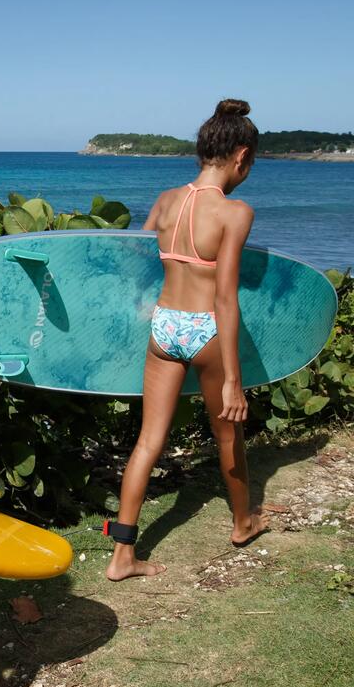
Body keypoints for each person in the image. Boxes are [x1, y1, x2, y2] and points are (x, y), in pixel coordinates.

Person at [106, 98, 265, 581]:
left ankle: (122, 556)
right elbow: (226, 300)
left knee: (149, 439)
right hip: (205, 331)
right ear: (240, 157)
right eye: (250, 163)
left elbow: (136, 262)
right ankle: (242, 523)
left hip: (164, 326)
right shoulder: (235, 213)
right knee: (226, 432)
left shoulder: (166, 200)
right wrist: (233, 380)